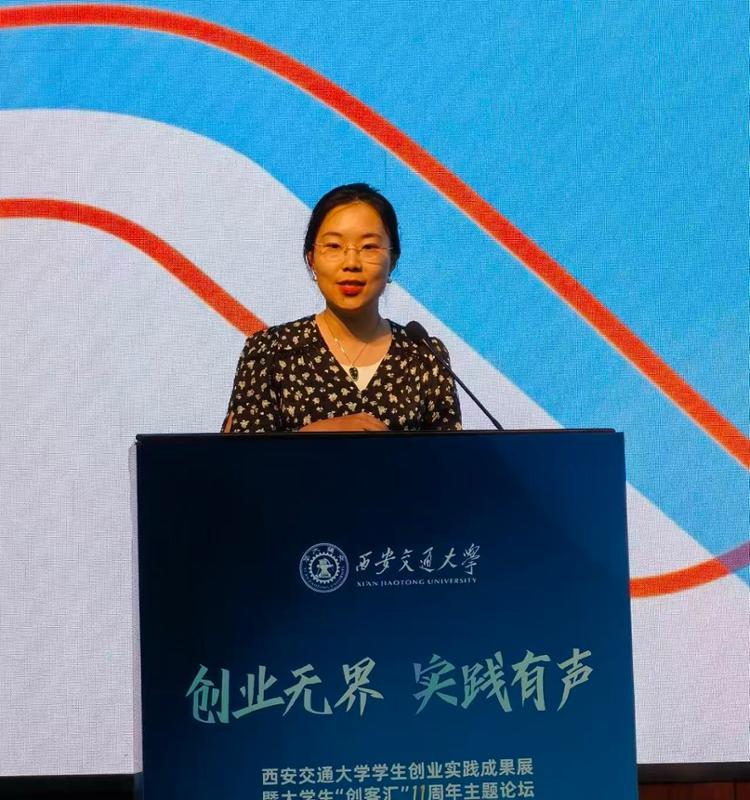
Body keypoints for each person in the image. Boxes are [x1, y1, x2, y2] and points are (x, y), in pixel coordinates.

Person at [223, 183, 461, 433]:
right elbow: (244, 457)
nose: (351, 263)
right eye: (334, 246)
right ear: (311, 260)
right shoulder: (269, 352)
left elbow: (448, 456)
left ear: (392, 261)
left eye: (369, 247)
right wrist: (310, 436)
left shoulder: (425, 356)